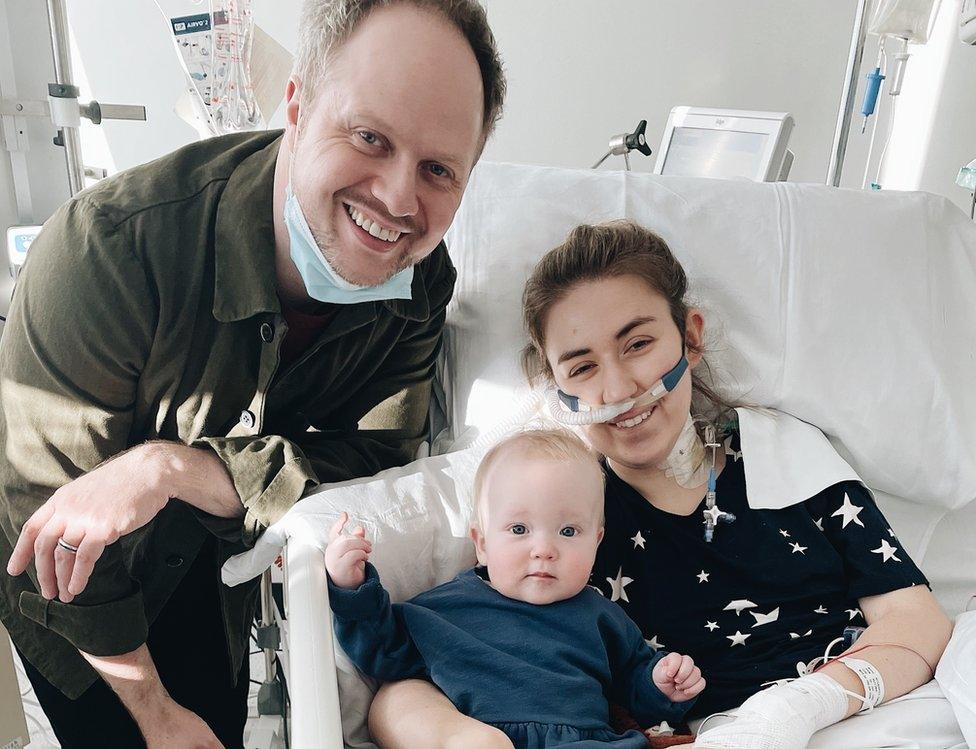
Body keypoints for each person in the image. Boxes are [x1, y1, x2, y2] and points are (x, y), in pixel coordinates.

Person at [0, 1, 505, 747]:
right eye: (369, 137)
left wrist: (177, 468)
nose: (399, 200)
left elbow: (372, 459)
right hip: (77, 591)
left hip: (213, 557)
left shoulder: (420, 286)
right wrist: (155, 714)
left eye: (437, 169)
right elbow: (47, 531)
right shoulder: (106, 254)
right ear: (296, 105)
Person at [367, 221, 960, 749]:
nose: (618, 386)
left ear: (691, 338)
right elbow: (420, 682)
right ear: (556, 388)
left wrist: (799, 706)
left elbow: (921, 622)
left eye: (638, 344)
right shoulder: (565, 518)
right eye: (582, 366)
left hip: (880, 706)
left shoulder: (786, 454)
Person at [326, 429, 706, 749]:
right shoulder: (445, 608)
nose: (544, 550)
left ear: (597, 542)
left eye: (569, 531)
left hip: (578, 741)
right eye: (520, 530)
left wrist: (662, 684)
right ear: (482, 543)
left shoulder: (602, 616)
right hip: (474, 731)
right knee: (398, 698)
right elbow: (381, 652)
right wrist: (352, 585)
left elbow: (635, 690)